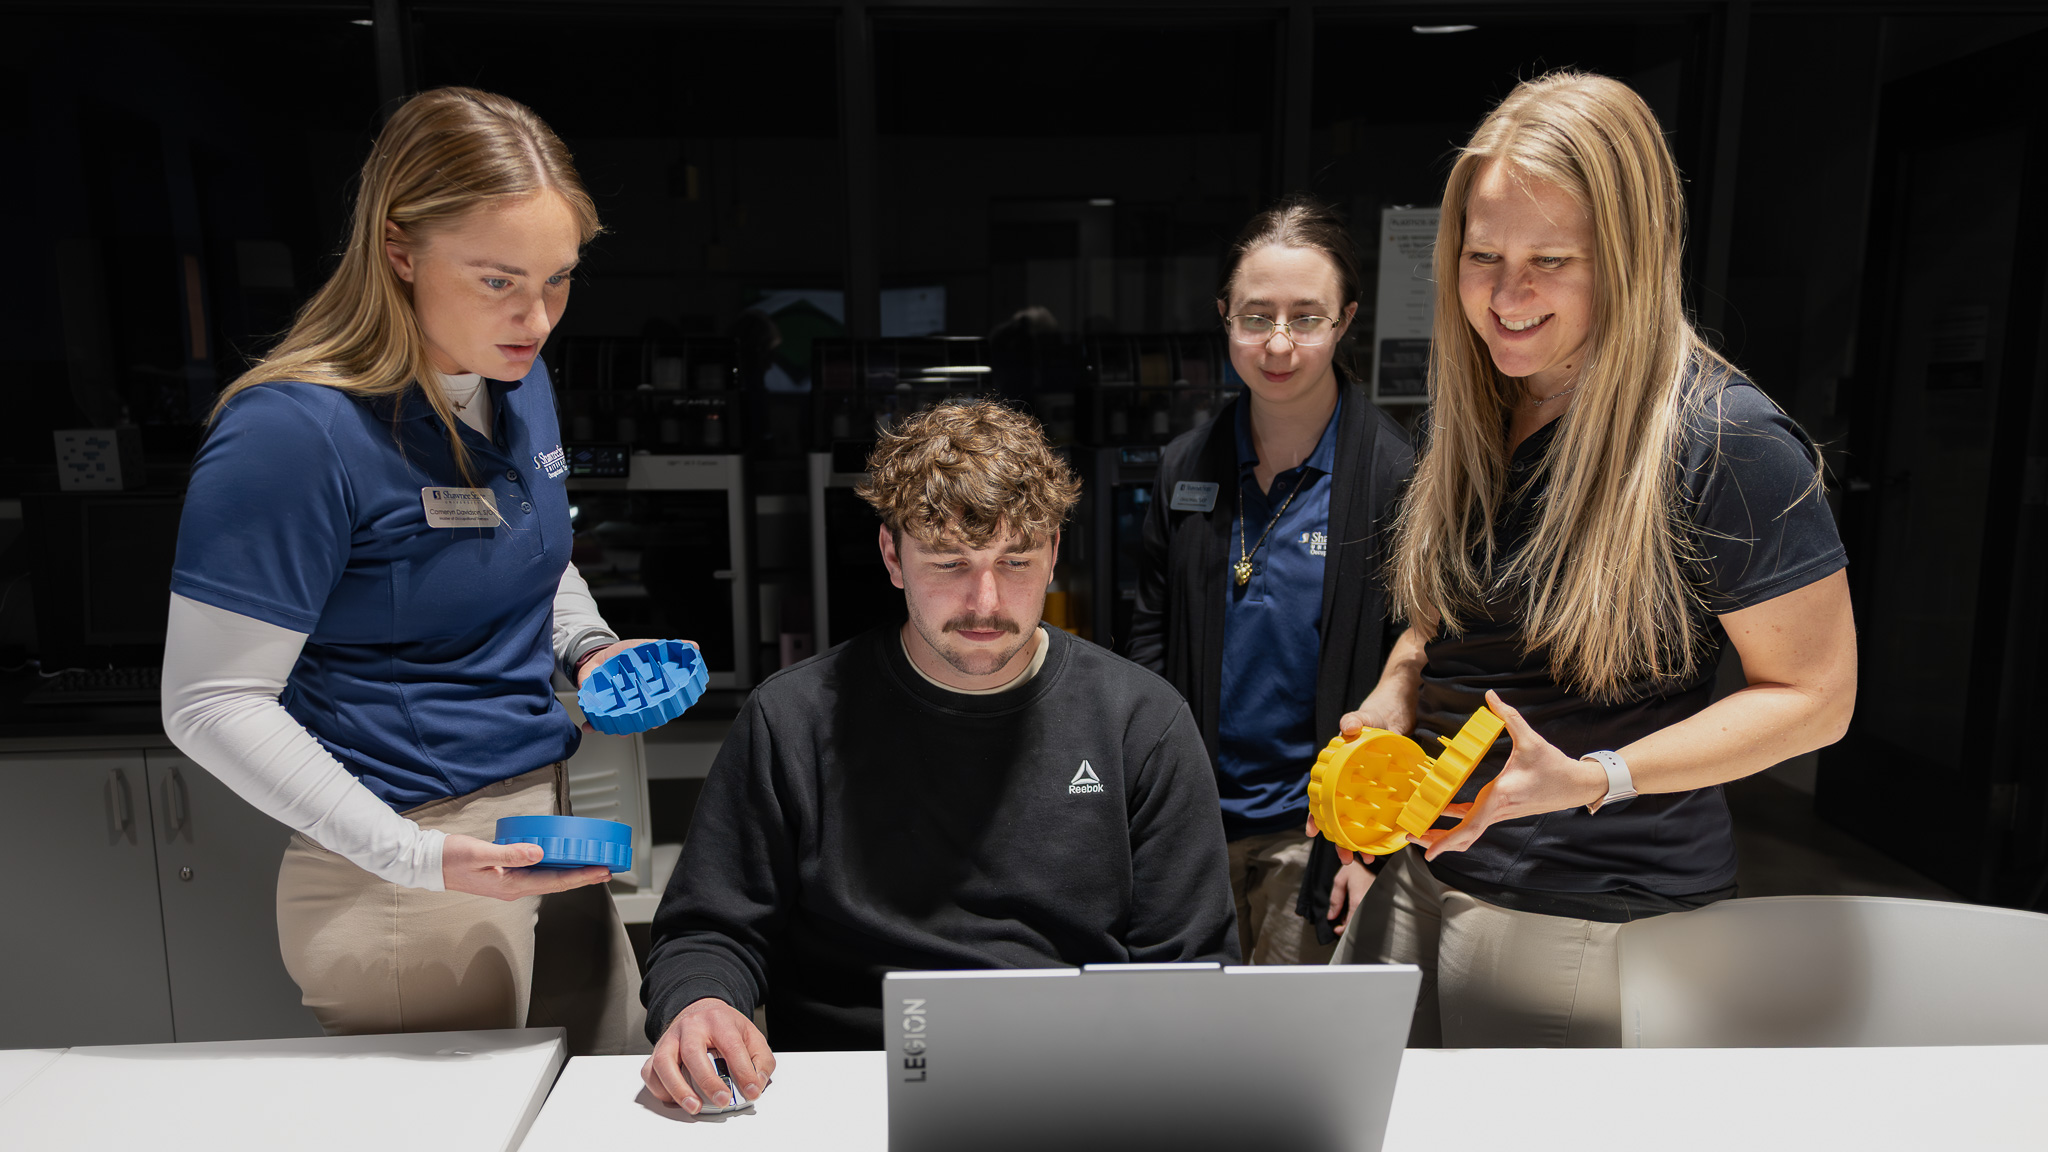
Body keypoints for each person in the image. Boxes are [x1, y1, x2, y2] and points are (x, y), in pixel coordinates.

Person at [1326, 71, 1857, 1047]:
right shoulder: (1483, 408)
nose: (1506, 296)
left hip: (1586, 910)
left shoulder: (1724, 440)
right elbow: (1458, 609)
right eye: (1482, 256)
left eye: (1550, 260)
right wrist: (1401, 677)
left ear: (1629, 254)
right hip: (1425, 875)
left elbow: (1815, 699)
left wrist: (1595, 775)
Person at [161, 87, 665, 1055]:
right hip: (407, 859)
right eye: (497, 280)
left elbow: (528, 551)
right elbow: (210, 702)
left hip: (539, 819)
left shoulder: (516, 374)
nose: (536, 318)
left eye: (559, 279)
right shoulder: (291, 434)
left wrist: (587, 645)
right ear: (399, 250)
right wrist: (415, 857)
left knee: (605, 1093)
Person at [638, 399, 1239, 1114]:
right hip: (848, 1085)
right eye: (950, 563)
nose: (985, 601)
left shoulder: (1142, 721)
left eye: (1014, 562)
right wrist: (701, 1001)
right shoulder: (792, 718)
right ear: (893, 556)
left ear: (1053, 554)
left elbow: (1191, 967)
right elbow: (708, 929)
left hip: (1077, 1083)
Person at [1127, 198, 1413, 964]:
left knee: (1285, 1030)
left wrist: (1371, 842)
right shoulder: (1184, 468)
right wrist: (1153, 796)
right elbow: (1149, 632)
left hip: (1317, 830)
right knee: (1189, 1026)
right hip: (1192, 824)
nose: (1279, 344)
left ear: (1345, 320)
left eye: (1306, 318)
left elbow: (1417, 664)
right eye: (1256, 317)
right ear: (1225, 315)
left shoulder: (1396, 478)